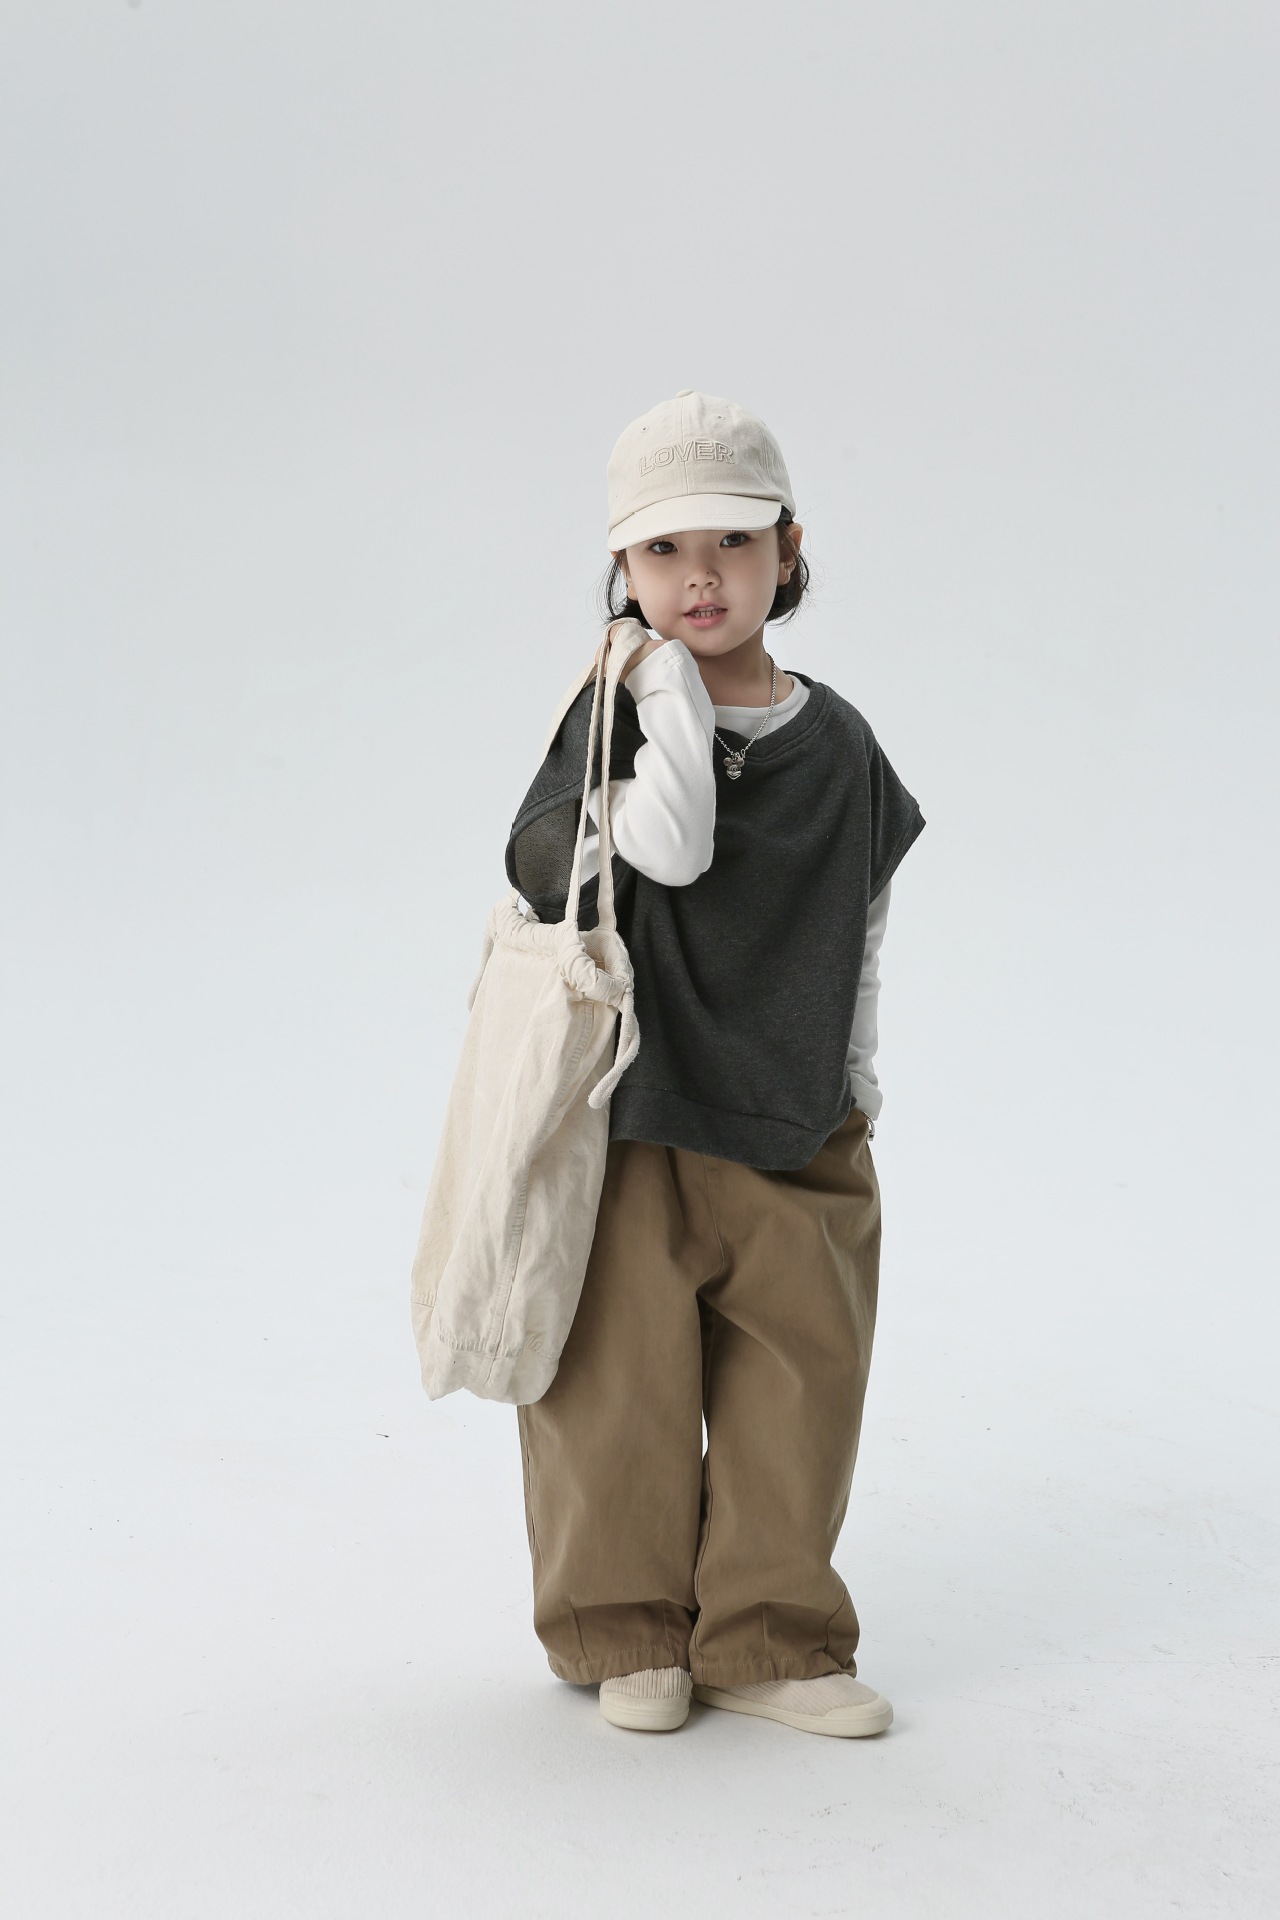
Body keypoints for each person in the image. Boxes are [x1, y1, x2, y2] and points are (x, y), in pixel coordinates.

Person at [504, 389, 926, 1737]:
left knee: (802, 1379)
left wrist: (857, 1076)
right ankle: (628, 1626)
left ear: (788, 550)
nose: (702, 576)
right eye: (664, 549)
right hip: (630, 1107)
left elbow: (861, 917)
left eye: (733, 542)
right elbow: (627, 854)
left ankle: (773, 1639)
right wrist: (657, 703)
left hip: (796, 1106)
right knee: (613, 1382)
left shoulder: (839, 747)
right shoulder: (611, 723)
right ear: (623, 568)